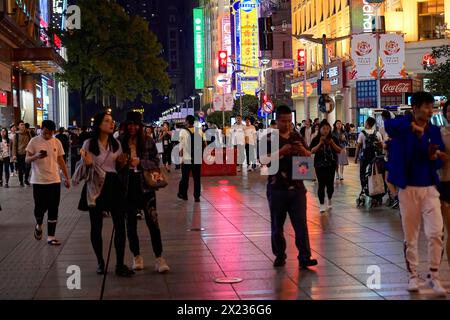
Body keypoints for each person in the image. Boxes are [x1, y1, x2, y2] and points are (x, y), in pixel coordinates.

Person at [385, 91, 447, 296]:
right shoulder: (402, 125)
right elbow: (389, 126)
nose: (431, 110)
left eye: (432, 107)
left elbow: (437, 160)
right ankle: (413, 275)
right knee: (410, 236)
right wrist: (411, 126)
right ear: (415, 108)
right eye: (427, 106)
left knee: (435, 232)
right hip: (408, 187)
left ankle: (433, 275)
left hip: (429, 187)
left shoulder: (435, 130)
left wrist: (435, 156)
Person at [78, 112, 134, 277]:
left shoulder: (116, 144)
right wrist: (87, 163)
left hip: (113, 185)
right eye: (107, 121)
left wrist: (123, 163)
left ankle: (120, 264)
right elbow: (82, 169)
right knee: (96, 226)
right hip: (95, 187)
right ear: (99, 124)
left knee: (120, 226)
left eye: (112, 121)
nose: (111, 124)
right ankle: (100, 262)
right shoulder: (89, 144)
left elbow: (119, 168)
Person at [263, 105, 318, 269]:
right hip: (277, 188)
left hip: (297, 188)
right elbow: (263, 160)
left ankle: (304, 257)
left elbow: (309, 155)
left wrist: (302, 150)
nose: (287, 124)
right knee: (277, 225)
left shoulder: (297, 136)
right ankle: (280, 254)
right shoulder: (269, 138)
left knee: (301, 224)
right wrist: (281, 151)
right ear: (277, 120)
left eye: (289, 121)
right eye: (283, 121)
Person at [119, 112, 170, 273]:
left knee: (153, 222)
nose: (133, 127)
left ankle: (159, 258)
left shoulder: (147, 141)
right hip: (127, 187)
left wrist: (140, 162)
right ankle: (136, 256)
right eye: (130, 124)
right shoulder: (120, 142)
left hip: (146, 186)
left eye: (136, 124)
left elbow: (156, 161)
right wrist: (122, 163)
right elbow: (114, 165)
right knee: (131, 225)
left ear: (140, 126)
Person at [25, 120, 70, 246]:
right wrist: (36, 156)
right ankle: (39, 224)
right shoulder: (34, 141)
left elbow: (61, 160)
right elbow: (27, 160)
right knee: (39, 209)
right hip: (38, 181)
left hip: (54, 180)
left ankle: (51, 236)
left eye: (50, 133)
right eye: (45, 132)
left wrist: (67, 178)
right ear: (41, 129)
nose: (47, 135)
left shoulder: (57, 142)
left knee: (53, 208)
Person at [310, 120, 342, 213]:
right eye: (324, 128)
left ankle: (329, 198)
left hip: (331, 164)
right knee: (321, 184)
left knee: (330, 184)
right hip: (319, 165)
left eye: (328, 129)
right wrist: (320, 143)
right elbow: (311, 151)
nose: (326, 131)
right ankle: (321, 204)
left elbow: (339, 150)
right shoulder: (316, 139)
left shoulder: (334, 138)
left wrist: (332, 143)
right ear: (320, 129)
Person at [354, 117, 383, 203]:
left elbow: (358, 146)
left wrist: (355, 157)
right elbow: (381, 145)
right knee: (375, 174)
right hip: (375, 157)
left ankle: (364, 190)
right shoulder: (377, 133)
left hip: (365, 157)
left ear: (367, 123)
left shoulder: (362, 134)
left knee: (362, 174)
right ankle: (376, 192)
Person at [177, 115, 204, 202]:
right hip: (197, 158)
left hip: (186, 159)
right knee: (197, 178)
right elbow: (205, 144)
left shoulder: (183, 132)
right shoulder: (199, 130)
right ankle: (197, 196)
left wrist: (180, 159)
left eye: (185, 121)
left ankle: (184, 195)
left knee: (185, 178)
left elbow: (180, 147)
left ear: (187, 121)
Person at [438, 100, 450, 268]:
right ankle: (434, 269)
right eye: (448, 111)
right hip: (444, 183)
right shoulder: (440, 133)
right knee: (438, 231)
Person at [12, 120, 32, 187]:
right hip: (20, 154)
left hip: (27, 154)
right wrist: (14, 155)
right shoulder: (16, 135)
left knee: (28, 167)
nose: (23, 125)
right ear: (18, 126)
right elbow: (14, 146)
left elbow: (31, 143)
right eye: (21, 124)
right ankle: (21, 181)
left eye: (23, 124)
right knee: (20, 169)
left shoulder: (28, 134)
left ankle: (26, 179)